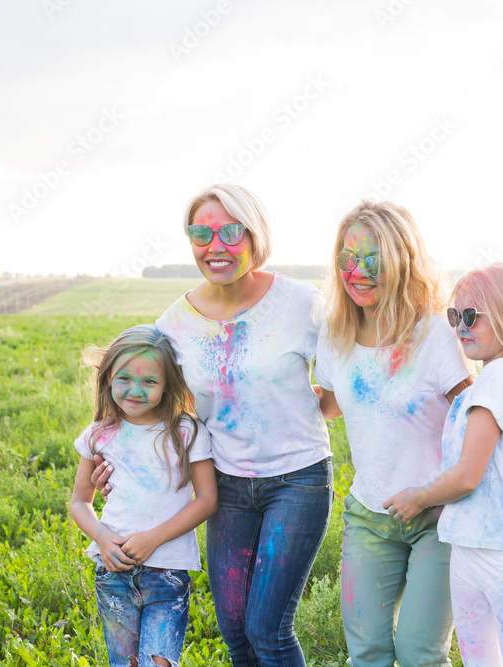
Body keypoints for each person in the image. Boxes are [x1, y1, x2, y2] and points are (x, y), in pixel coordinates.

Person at [93, 184, 333, 667]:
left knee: (268, 629)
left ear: (253, 235)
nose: (214, 245)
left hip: (298, 481)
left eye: (230, 231)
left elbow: (343, 384)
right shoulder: (174, 323)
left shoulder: (302, 303)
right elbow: (152, 406)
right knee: (235, 633)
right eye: (201, 232)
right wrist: (115, 463)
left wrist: (302, 410)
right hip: (226, 486)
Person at [314, 201, 503, 667]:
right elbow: (330, 404)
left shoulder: (437, 334)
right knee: (368, 653)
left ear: (401, 261)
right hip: (369, 514)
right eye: (347, 258)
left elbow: (488, 414)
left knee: (420, 653)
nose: (356, 272)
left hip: (438, 519)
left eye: (372, 261)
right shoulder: (334, 334)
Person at [384, 263, 503, 667]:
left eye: (472, 316)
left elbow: (467, 476)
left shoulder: (497, 379)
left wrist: (417, 497)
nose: (460, 327)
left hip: (498, 556)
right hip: (484, 549)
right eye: (455, 316)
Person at [70, 325, 218, 667]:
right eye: (124, 378)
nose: (135, 390)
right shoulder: (98, 435)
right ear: (108, 378)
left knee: (159, 663)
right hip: (113, 569)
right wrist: (103, 538)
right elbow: (80, 502)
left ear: (167, 386)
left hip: (167, 569)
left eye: (149, 381)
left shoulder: (186, 431)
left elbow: (208, 498)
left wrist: (152, 539)